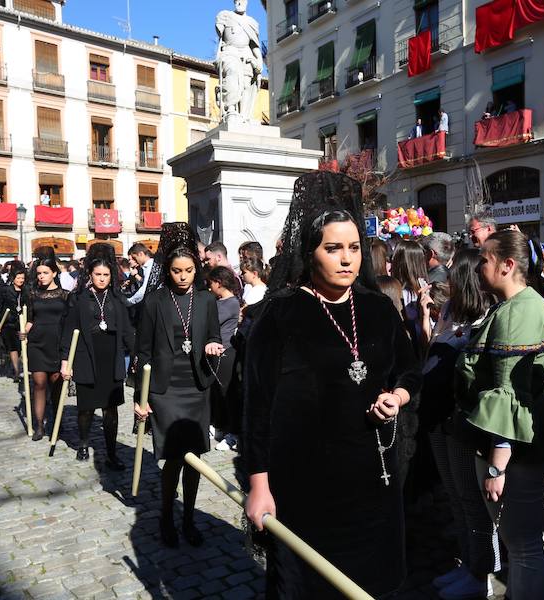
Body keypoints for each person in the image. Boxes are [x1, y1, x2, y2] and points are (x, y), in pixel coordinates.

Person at [243, 172, 422, 598]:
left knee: (371, 585)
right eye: (333, 248)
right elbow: (257, 407)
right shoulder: (280, 315)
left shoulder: (378, 308)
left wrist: (396, 397)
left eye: (354, 248)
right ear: (311, 253)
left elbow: (410, 370)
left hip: (373, 480)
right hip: (306, 485)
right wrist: (258, 484)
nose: (347, 259)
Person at [454, 229, 544, 600]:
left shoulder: (518, 313)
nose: (478, 267)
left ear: (507, 265)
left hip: (517, 451)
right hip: (522, 447)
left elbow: (509, 394)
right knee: (525, 545)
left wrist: (496, 465)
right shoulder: (518, 305)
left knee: (523, 546)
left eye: (484, 259)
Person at [133, 222, 224, 548]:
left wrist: (214, 345)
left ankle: (189, 519)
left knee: (195, 457)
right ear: (167, 270)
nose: (183, 276)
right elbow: (142, 350)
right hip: (166, 389)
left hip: (197, 388)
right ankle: (167, 517)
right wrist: (139, 397)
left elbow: (213, 334)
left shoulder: (206, 300)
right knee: (174, 457)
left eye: (188, 270)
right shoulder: (156, 301)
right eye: (176, 271)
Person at [424, 249, 500, 599]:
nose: (447, 278)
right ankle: (467, 564)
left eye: (455, 273)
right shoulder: (451, 311)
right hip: (438, 417)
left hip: (464, 422)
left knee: (473, 502)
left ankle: (481, 574)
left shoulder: (485, 320)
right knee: (455, 496)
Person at [60, 246, 133, 468]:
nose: (102, 279)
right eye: (98, 275)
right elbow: (68, 331)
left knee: (111, 409)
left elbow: (128, 331)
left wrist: (139, 355)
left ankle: (111, 452)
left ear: (112, 276)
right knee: (86, 407)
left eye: (106, 275)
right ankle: (83, 443)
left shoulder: (118, 298)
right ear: (90, 275)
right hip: (86, 356)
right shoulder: (79, 298)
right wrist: (66, 361)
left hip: (110, 358)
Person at [22, 257, 68, 441]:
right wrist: (24, 330)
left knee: (56, 386)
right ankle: (39, 425)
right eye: (39, 273)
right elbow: (31, 319)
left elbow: (69, 319)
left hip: (57, 344)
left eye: (45, 273)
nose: (41, 276)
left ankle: (57, 421)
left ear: (54, 273)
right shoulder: (32, 294)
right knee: (39, 383)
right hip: (37, 343)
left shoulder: (65, 295)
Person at [207, 266, 243, 451]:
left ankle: (234, 433)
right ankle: (220, 426)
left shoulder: (230, 303)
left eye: (211, 283)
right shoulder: (218, 300)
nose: (209, 287)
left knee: (227, 394)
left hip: (226, 352)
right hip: (215, 353)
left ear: (219, 283)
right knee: (217, 393)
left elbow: (211, 321)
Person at [1, 266, 27, 383]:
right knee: (13, 348)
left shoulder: (27, 290)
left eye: (22, 278)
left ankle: (23, 369)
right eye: (18, 278)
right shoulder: (6, 290)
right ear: (13, 278)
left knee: (22, 348)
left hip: (23, 322)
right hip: (10, 323)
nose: (21, 280)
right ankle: (17, 371)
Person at [122, 243, 154, 309]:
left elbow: (144, 290)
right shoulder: (146, 267)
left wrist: (128, 302)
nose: (135, 260)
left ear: (141, 254)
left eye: (134, 258)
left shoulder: (150, 267)